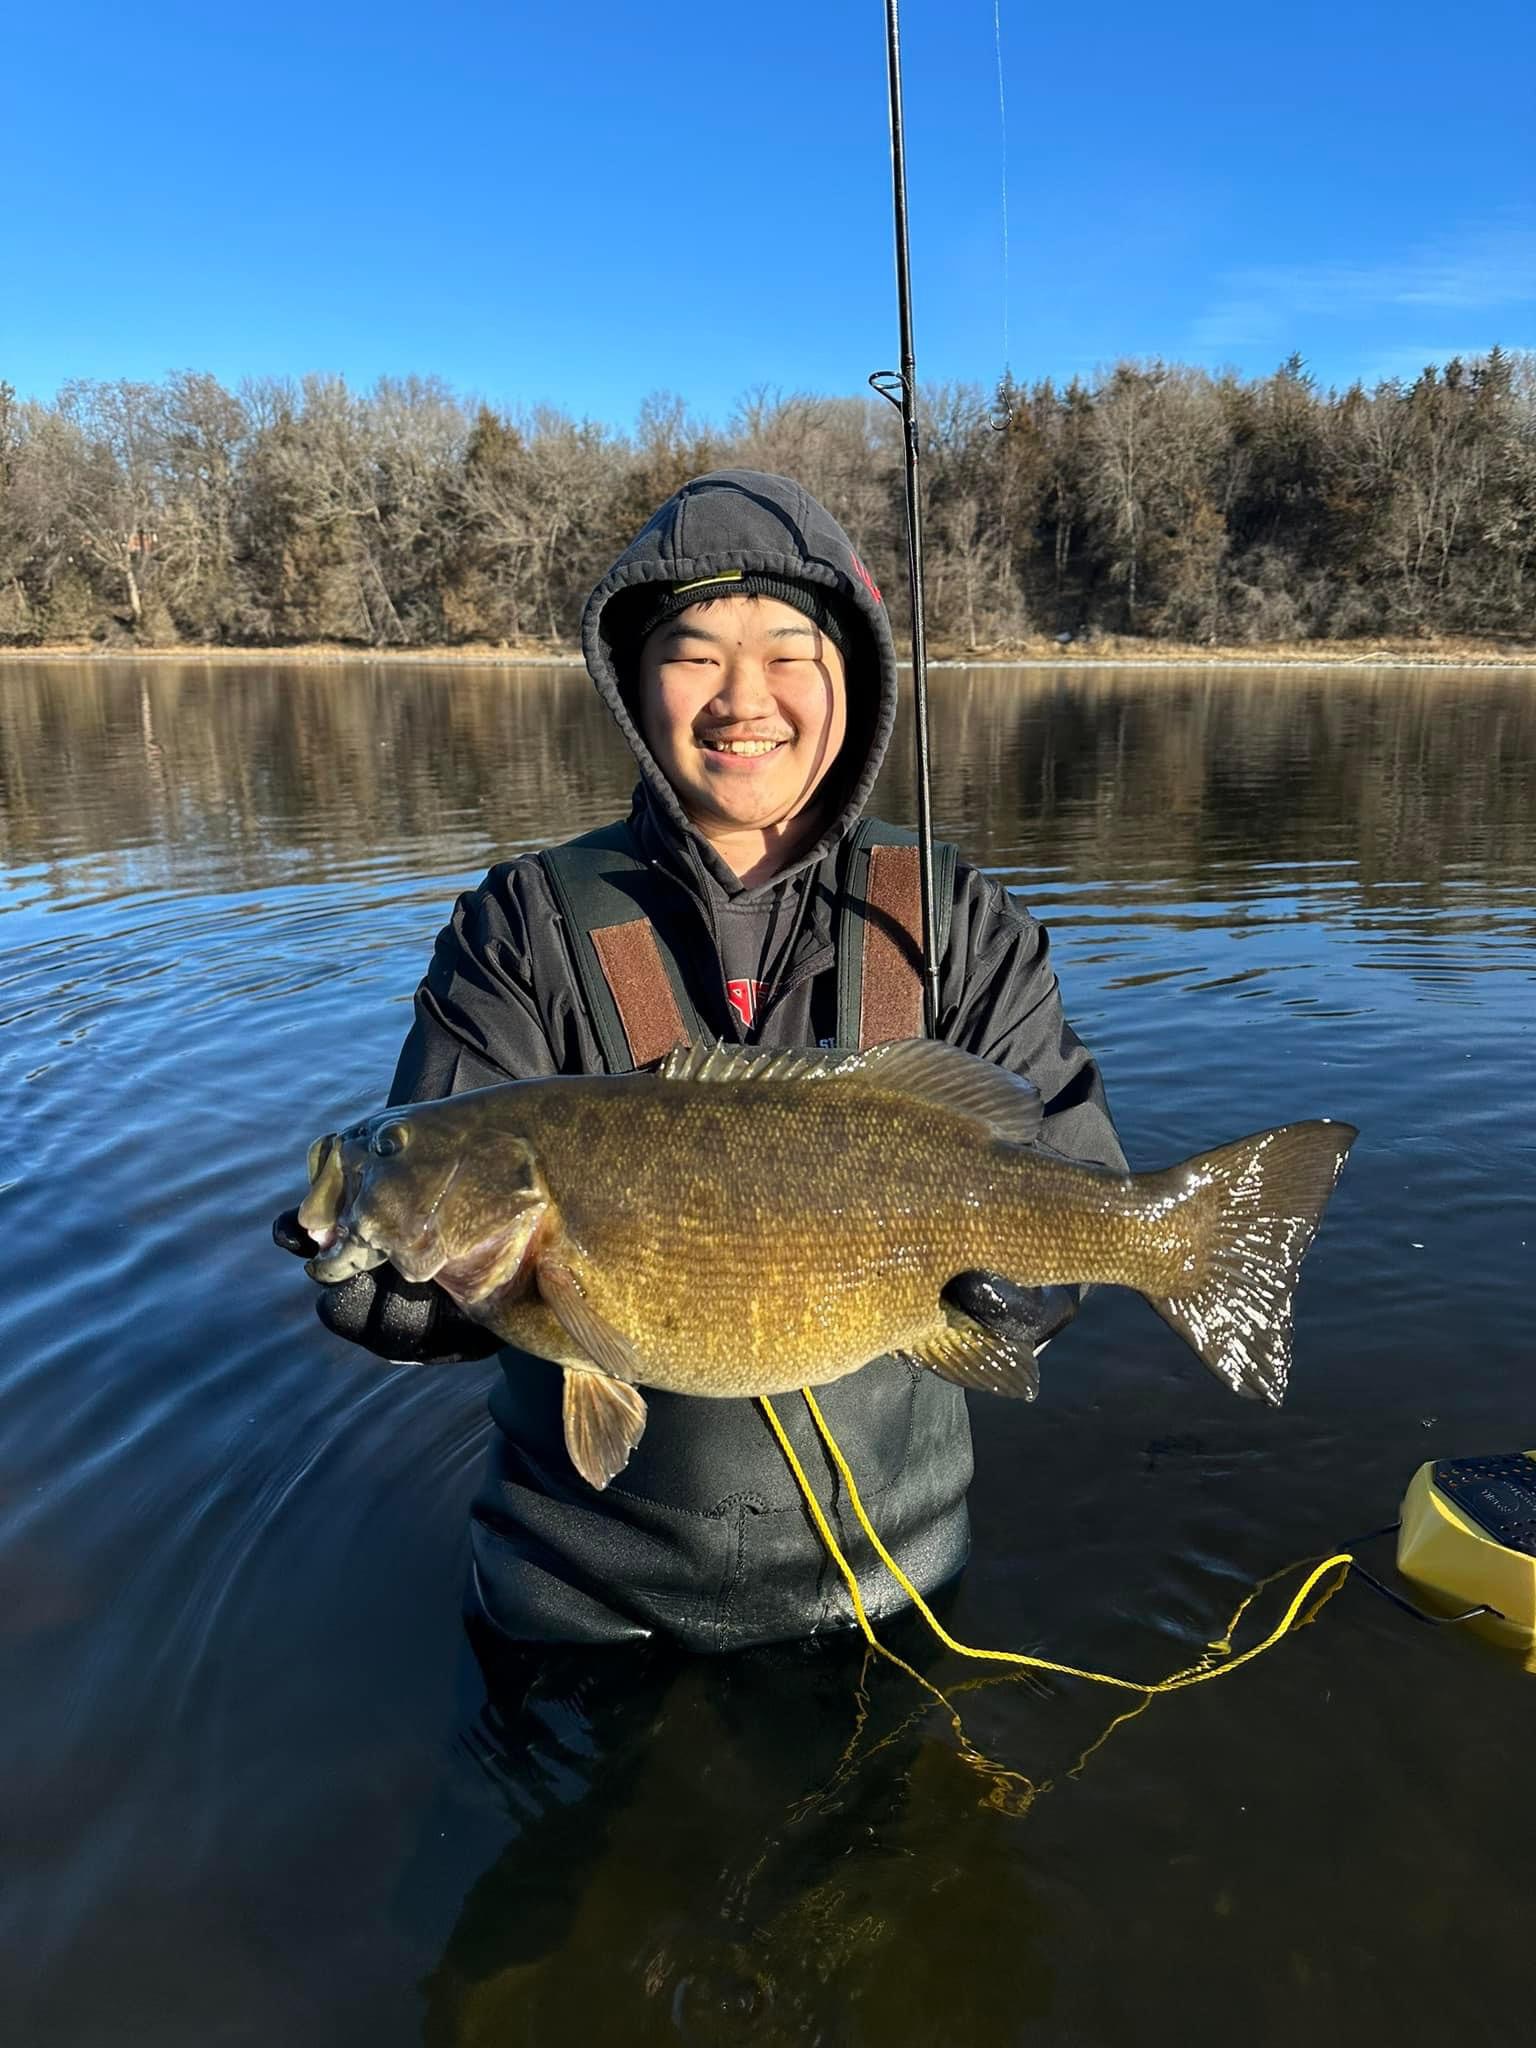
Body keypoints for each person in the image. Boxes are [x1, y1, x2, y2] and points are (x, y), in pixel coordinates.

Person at [274, 469, 1125, 1659]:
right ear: (635, 683)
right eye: (694, 655)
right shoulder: (523, 924)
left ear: (852, 679)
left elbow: (1082, 1182)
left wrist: (1027, 1293)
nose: (743, 699)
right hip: (578, 1603)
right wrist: (403, 1289)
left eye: (788, 653)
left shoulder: (958, 918)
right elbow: (446, 1201)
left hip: (897, 1589)